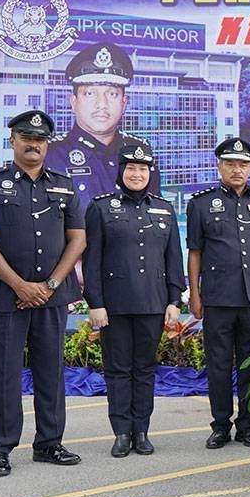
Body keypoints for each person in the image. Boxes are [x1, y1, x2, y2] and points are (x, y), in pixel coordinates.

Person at [0, 110, 86, 476]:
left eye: (40, 139)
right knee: (2, 375)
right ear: (13, 140)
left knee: (51, 371)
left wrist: (48, 286)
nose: (33, 143)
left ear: (47, 144)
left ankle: (49, 443)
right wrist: (20, 285)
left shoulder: (64, 184)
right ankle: (0, 448)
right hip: (3, 297)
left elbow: (77, 239)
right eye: (25, 137)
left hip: (51, 296)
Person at [83, 144, 186, 458]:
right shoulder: (101, 208)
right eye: (131, 168)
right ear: (121, 171)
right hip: (113, 306)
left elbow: (173, 260)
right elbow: (92, 260)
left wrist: (174, 301)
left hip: (153, 304)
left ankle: (141, 430)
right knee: (117, 370)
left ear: (150, 173)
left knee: (144, 369)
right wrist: (95, 303)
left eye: (143, 169)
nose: (137, 174)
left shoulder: (164, 208)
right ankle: (121, 433)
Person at [186, 137, 250, 449]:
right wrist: (195, 295)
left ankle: (248, 425)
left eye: (243, 164)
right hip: (217, 298)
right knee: (219, 364)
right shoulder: (200, 203)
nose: (237, 169)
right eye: (230, 164)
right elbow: (195, 252)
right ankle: (221, 425)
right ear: (219, 166)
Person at [45, 42, 160, 208]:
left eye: (112, 94)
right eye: (90, 93)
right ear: (74, 102)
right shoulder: (50, 156)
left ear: (124, 102)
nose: (101, 104)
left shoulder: (139, 150)